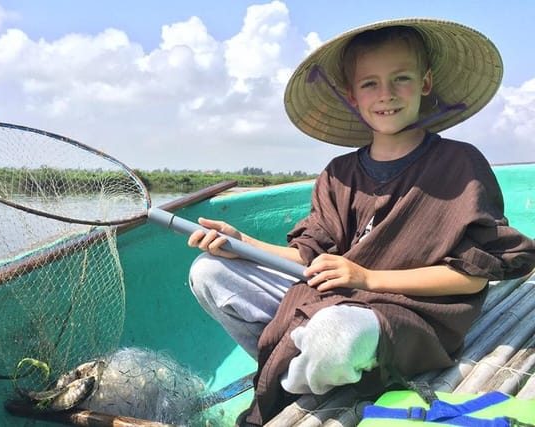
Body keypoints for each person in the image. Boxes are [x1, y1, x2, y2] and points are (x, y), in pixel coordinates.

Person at [187, 18, 535, 425]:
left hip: (409, 314)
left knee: (336, 333)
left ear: (424, 83)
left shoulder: (460, 165)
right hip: (335, 298)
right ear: (352, 96)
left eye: (400, 78)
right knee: (209, 271)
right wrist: (241, 241)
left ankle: (293, 372)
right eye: (370, 84)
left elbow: (472, 278)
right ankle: (313, 364)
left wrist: (367, 279)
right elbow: (310, 258)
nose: (385, 95)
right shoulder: (338, 173)